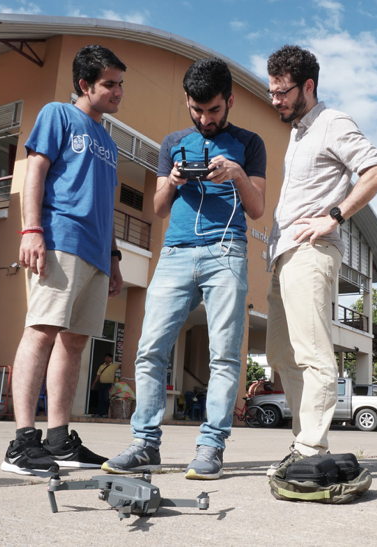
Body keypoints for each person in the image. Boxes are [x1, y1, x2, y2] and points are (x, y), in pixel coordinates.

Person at [102, 58, 266, 481]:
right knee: (150, 348)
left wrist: (236, 175)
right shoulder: (173, 141)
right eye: (196, 110)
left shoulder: (250, 143)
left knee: (226, 354)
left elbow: (257, 208)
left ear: (228, 101)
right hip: (175, 253)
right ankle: (145, 444)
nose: (205, 118)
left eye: (213, 110)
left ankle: (211, 447)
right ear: (188, 103)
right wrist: (173, 180)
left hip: (226, 251)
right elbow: (158, 207)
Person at [263, 45, 377, 474]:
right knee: (281, 355)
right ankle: (303, 445)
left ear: (308, 86)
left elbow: (376, 170)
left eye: (282, 91)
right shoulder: (298, 133)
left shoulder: (332, 122)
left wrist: (333, 216)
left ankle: (312, 448)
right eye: (272, 91)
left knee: (313, 353)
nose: (275, 99)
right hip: (284, 256)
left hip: (311, 253)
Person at [0, 45, 125, 478]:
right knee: (41, 331)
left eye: (120, 84)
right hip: (61, 239)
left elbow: (107, 204)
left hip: (96, 252)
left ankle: (59, 439)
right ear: (84, 84)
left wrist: (114, 256)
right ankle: (21, 443)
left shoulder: (109, 141)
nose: (118, 91)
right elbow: (35, 169)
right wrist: (31, 229)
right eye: (110, 83)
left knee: (74, 343)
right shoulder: (58, 114)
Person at [90, 353, 116, 418]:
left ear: (111, 358)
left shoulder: (114, 366)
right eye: (106, 357)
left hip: (108, 385)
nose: (107, 359)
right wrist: (94, 383)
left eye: (108, 357)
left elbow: (122, 366)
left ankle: (107, 413)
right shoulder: (102, 366)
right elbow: (98, 375)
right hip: (101, 385)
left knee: (106, 399)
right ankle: (100, 413)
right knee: (101, 399)